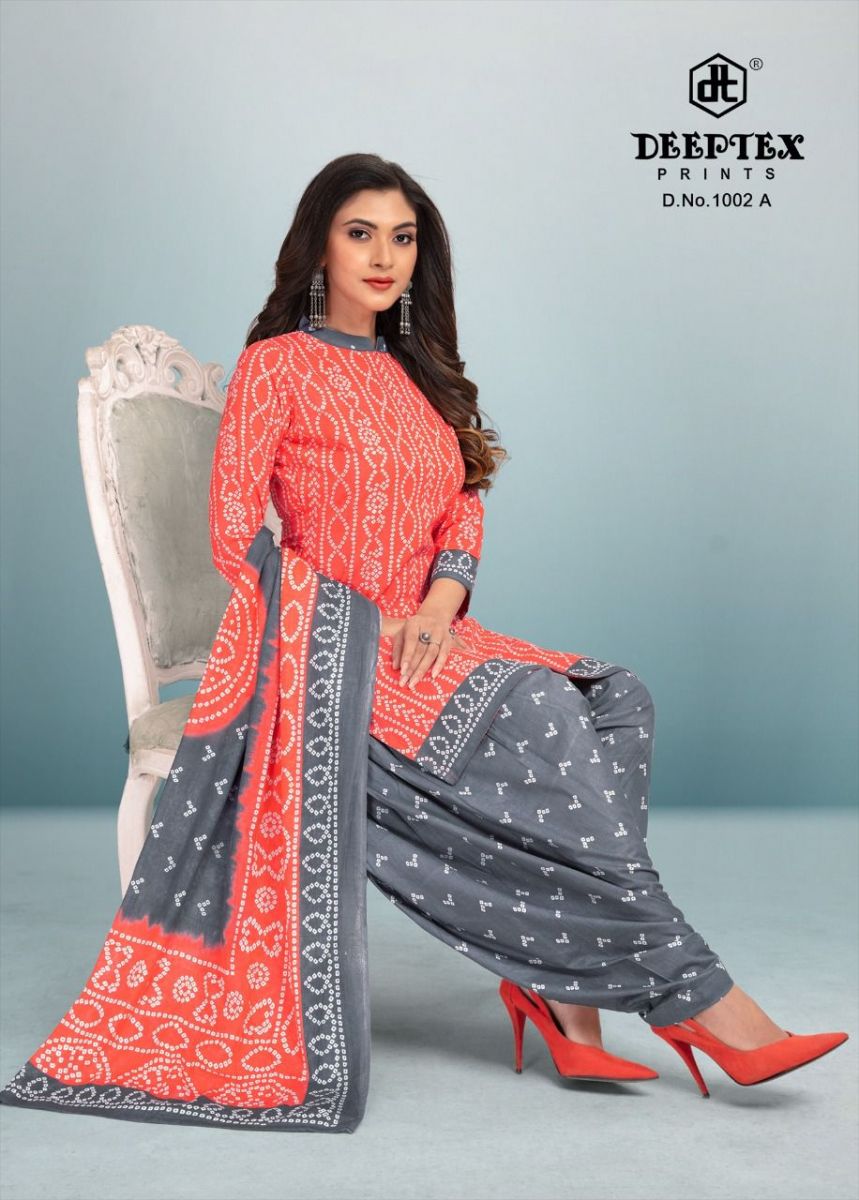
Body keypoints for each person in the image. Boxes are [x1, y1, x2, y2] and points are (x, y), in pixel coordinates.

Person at [0, 154, 846, 1132]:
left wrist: (441, 604)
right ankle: (700, 1001)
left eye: (401, 238)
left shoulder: (415, 373)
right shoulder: (277, 365)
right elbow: (234, 533)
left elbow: (462, 507)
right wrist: (359, 620)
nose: (383, 256)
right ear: (319, 243)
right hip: (334, 648)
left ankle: (562, 992)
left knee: (616, 699)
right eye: (360, 233)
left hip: (433, 634)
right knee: (542, 707)